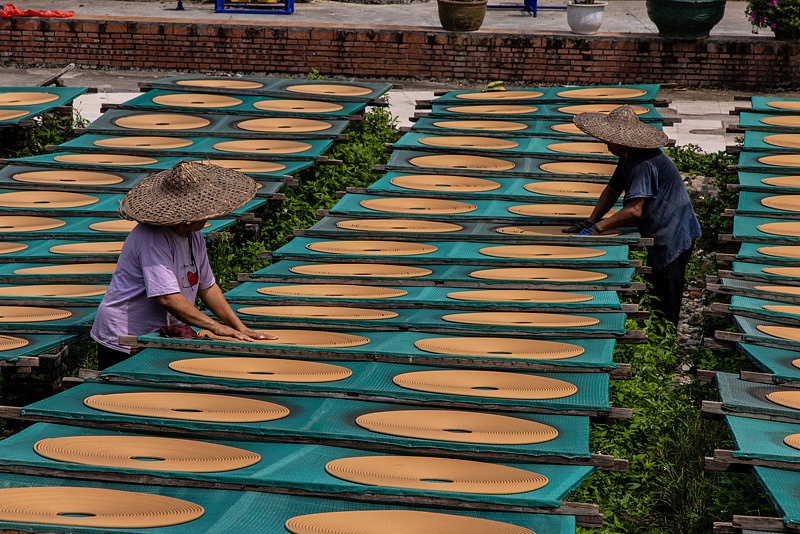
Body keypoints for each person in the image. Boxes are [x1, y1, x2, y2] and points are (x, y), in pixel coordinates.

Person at [91, 161, 276, 369]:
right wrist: (215, 327)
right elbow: (168, 298)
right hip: (126, 336)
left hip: (163, 330)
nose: (209, 216)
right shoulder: (153, 237)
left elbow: (208, 287)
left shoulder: (193, 235)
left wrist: (239, 327)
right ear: (185, 217)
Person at [562, 105, 701, 326]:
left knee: (666, 297)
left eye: (609, 140)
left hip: (674, 232)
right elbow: (612, 190)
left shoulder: (642, 163)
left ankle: (665, 347)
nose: (606, 144)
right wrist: (590, 220)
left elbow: (634, 209)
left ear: (621, 141)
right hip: (660, 228)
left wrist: (598, 229)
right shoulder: (628, 157)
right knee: (657, 285)